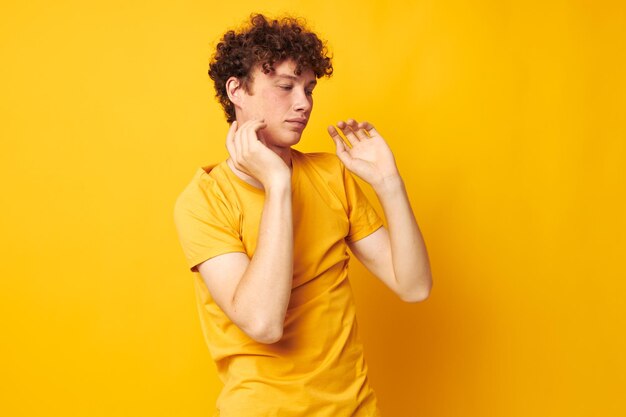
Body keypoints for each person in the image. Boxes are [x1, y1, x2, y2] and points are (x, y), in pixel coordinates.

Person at [174, 13, 432, 417]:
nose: (304, 103)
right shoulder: (204, 200)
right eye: (285, 86)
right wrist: (278, 183)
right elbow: (263, 323)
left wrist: (388, 183)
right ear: (237, 90)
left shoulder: (330, 174)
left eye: (309, 89)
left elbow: (414, 286)